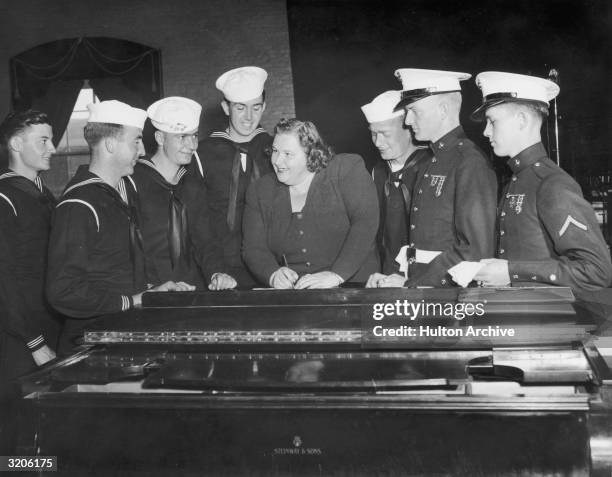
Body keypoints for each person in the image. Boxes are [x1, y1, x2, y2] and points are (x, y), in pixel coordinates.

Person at [47, 100, 193, 352]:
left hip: (122, 334)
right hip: (89, 345)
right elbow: (63, 291)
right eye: (135, 141)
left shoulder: (121, 193)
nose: (143, 150)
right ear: (110, 145)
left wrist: (151, 291)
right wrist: (131, 300)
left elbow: (114, 270)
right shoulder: (79, 204)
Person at [471, 71, 612, 293]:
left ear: (522, 120)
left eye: (492, 121)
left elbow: (596, 270)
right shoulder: (517, 180)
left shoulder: (551, 184)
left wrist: (511, 271)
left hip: (547, 321)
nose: (486, 131)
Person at [382, 68, 497, 288]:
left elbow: (474, 250)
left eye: (414, 110)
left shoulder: (469, 162)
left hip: (452, 297)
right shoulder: (428, 160)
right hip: (427, 290)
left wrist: (413, 284)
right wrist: (403, 277)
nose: (407, 120)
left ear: (443, 109)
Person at [243, 118, 379, 289]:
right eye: (275, 151)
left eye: (288, 154)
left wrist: (336, 275)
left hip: (353, 286)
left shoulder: (345, 170)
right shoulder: (260, 191)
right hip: (298, 295)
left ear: (311, 154)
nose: (277, 161)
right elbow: (253, 248)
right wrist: (272, 274)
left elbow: (365, 223)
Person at [134, 96, 236, 290]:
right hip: (151, 291)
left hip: (190, 289)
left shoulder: (192, 185)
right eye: (182, 137)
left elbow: (206, 240)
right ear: (160, 138)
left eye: (195, 136)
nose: (193, 145)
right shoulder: (134, 182)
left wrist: (217, 273)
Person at [188, 66, 273, 287]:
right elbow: (199, 223)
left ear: (264, 107)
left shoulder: (277, 150)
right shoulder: (201, 154)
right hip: (223, 271)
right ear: (226, 108)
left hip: (274, 269)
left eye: (256, 108)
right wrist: (215, 271)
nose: (248, 117)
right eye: (240, 108)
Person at [0, 110, 60, 407]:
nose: (53, 148)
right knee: (17, 429)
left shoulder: (46, 195)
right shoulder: (4, 197)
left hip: (49, 327)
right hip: (20, 338)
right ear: (16, 144)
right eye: (44, 141)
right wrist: (34, 343)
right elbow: (4, 280)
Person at [360, 90, 432, 286]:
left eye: (385, 134)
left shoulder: (431, 166)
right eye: (373, 134)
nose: (377, 142)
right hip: (386, 275)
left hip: (425, 279)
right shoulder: (378, 171)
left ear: (409, 129)